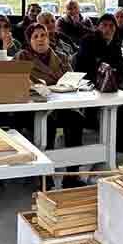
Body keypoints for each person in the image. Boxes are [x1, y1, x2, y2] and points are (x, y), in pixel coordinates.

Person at [15, 22, 84, 151]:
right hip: (33, 107)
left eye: (43, 35)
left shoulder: (61, 57)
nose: (40, 39)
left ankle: (74, 160)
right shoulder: (22, 56)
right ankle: (47, 159)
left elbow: (71, 79)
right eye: (35, 36)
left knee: (76, 118)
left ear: (48, 38)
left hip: (59, 104)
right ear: (29, 41)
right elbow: (15, 82)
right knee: (48, 122)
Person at [76, 14, 123, 152]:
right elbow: (85, 66)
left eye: (111, 26)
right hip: (89, 83)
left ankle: (120, 136)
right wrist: (105, 69)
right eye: (104, 25)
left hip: (110, 83)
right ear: (98, 27)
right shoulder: (88, 40)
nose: (108, 29)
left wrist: (109, 71)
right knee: (118, 104)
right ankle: (119, 139)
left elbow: (120, 66)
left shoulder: (115, 43)